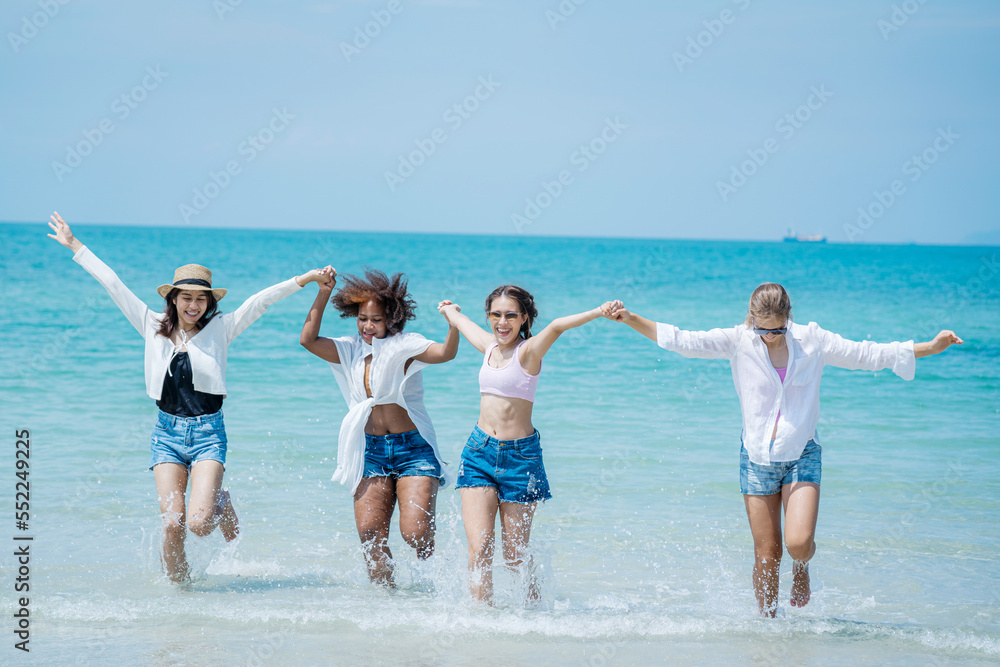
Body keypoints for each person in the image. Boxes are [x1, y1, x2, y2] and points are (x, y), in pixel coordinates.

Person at [608, 282, 962, 616]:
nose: (771, 337)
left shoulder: (813, 341)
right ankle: (768, 628)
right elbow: (682, 340)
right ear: (752, 322)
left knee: (797, 543)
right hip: (756, 460)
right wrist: (630, 318)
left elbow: (866, 354)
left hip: (802, 454)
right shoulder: (738, 340)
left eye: (778, 330)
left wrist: (929, 348)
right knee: (766, 556)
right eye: (763, 330)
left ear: (788, 320)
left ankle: (803, 565)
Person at [47, 212, 331, 583]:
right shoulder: (152, 327)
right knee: (171, 523)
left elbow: (260, 302)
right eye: (186, 297)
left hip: (208, 435)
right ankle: (180, 597)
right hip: (166, 436)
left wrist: (306, 279)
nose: (193, 305)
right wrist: (74, 245)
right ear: (174, 299)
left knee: (197, 525)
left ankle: (219, 502)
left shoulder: (221, 329)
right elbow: (113, 285)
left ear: (209, 302)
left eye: (200, 298)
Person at [438, 286, 620, 605]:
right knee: (479, 549)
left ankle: (534, 616)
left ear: (524, 318)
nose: (502, 322)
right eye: (496, 314)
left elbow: (558, 325)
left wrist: (598, 311)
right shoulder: (488, 347)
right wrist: (448, 311)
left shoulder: (529, 351)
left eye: (511, 315)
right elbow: (461, 321)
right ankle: (483, 621)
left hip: (521, 459)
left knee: (514, 556)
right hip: (478, 452)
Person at [300, 267, 458, 587]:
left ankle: (432, 587)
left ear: (392, 319)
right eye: (362, 318)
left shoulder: (406, 347)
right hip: (369, 450)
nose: (368, 326)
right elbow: (308, 339)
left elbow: (445, 352)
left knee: (414, 534)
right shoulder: (350, 350)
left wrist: (452, 324)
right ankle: (386, 601)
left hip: (413, 449)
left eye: (376, 319)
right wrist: (323, 291)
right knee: (370, 536)